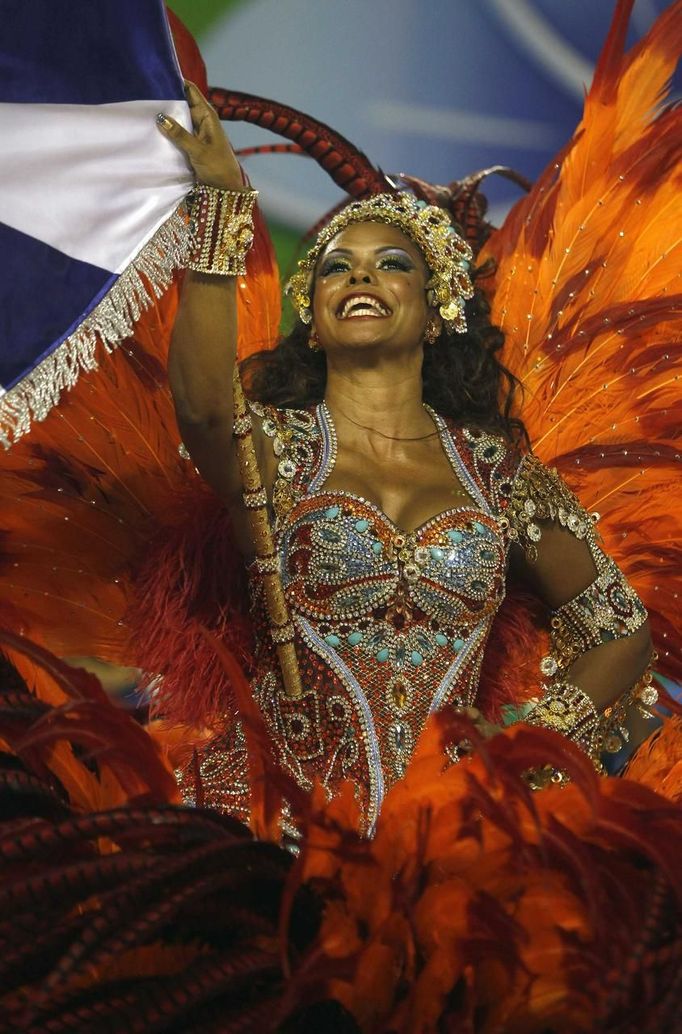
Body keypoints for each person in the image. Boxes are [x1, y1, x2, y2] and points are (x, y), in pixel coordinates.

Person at [155, 84, 656, 833]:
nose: (358, 276)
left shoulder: (497, 473)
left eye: (390, 263)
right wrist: (224, 206)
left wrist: (520, 751)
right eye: (334, 268)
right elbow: (201, 406)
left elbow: (618, 628)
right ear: (315, 323)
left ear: (437, 308)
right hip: (264, 841)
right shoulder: (282, 449)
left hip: (445, 851)